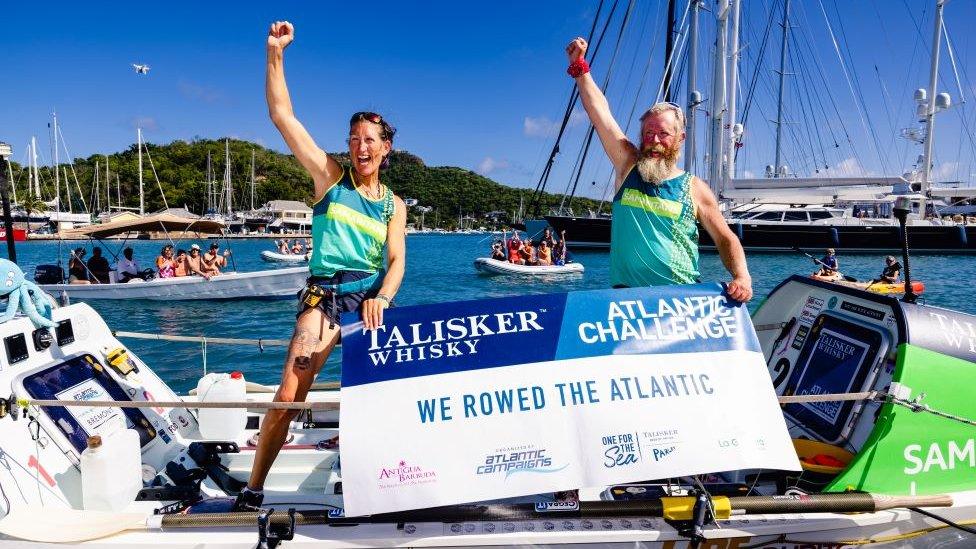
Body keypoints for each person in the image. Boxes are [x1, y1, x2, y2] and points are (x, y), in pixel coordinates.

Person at [234, 20, 407, 512]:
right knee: (289, 393)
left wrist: (382, 297)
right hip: (324, 299)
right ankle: (253, 489)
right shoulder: (330, 179)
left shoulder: (395, 205)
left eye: (371, 139)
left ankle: (378, 485)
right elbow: (282, 115)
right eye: (354, 138)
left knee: (374, 399)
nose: (362, 146)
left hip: (369, 303)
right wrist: (275, 55)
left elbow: (396, 263)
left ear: (386, 147)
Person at [566, 37, 752, 301]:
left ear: (680, 138)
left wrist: (742, 277)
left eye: (663, 133)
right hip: (627, 300)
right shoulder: (628, 165)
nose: (654, 140)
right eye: (648, 132)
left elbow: (725, 239)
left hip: (681, 300)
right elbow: (601, 115)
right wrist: (580, 68)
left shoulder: (695, 188)